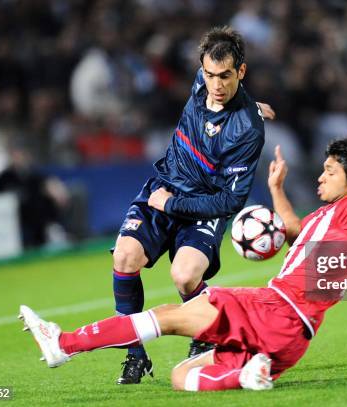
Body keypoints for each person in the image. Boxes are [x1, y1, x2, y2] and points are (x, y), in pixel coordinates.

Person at [20, 137, 347, 391]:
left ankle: (63, 344)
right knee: (183, 378)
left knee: (168, 316)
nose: (321, 178)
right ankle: (249, 374)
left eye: (329, 171)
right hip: (290, 340)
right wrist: (276, 188)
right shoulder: (330, 218)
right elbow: (293, 230)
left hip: (274, 309)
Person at [108, 26, 274, 384]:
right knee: (124, 257)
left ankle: (206, 334)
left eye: (226, 76)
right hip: (165, 185)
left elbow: (230, 200)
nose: (216, 85)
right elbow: (222, 89)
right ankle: (135, 355)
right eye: (210, 74)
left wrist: (250, 110)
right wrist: (251, 101)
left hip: (201, 204)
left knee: (184, 276)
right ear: (201, 69)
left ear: (241, 72)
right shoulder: (201, 82)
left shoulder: (248, 130)